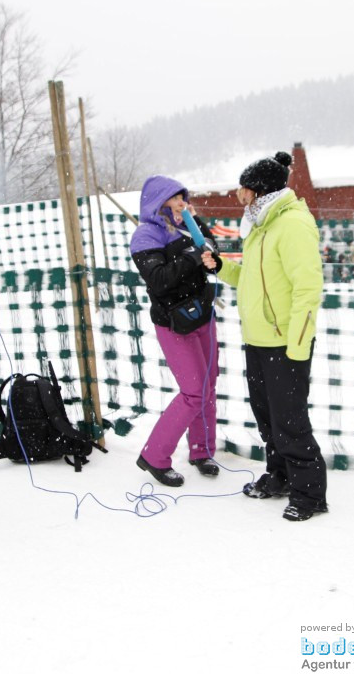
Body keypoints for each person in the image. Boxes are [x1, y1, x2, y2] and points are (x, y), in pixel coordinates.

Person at [203, 151, 328, 522]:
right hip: (257, 340)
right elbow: (251, 281)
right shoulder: (262, 226)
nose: (240, 199)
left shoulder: (292, 225)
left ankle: (310, 494)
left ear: (261, 192)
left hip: (285, 343)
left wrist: (297, 344)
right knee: (268, 418)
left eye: (244, 192)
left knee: (290, 421)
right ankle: (281, 476)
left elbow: (308, 289)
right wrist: (223, 266)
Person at [130, 175, 222, 487]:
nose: (182, 202)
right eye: (175, 197)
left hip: (202, 315)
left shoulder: (185, 225)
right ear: (159, 201)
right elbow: (158, 279)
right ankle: (154, 456)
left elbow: (211, 250)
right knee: (194, 392)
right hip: (174, 322)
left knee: (209, 383)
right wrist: (194, 257)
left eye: (183, 196)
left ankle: (202, 450)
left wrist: (209, 255)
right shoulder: (145, 235)